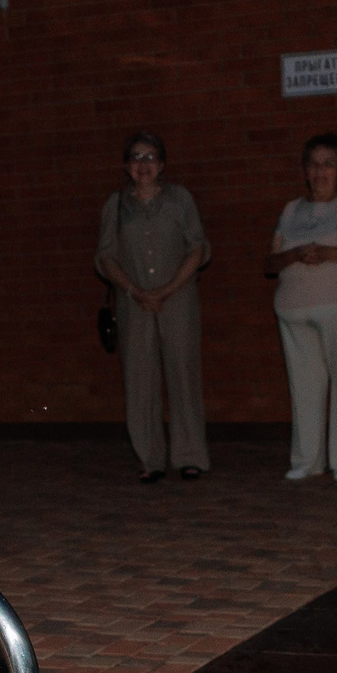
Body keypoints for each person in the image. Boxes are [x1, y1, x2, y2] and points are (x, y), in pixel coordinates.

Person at [263, 134, 337, 482]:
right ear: (304, 170)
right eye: (313, 164)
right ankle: (306, 459)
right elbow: (270, 263)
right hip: (293, 311)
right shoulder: (290, 210)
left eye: (328, 163)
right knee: (303, 387)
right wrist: (295, 256)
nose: (320, 171)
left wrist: (328, 253)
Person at [95, 131, 212, 481]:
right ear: (127, 166)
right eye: (136, 157)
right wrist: (133, 290)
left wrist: (168, 288)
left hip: (178, 300)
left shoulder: (180, 200)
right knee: (139, 378)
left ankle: (190, 454)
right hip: (134, 303)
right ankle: (150, 457)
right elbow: (105, 256)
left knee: (183, 373)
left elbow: (198, 247)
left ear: (161, 164)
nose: (143, 164)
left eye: (150, 157)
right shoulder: (115, 206)